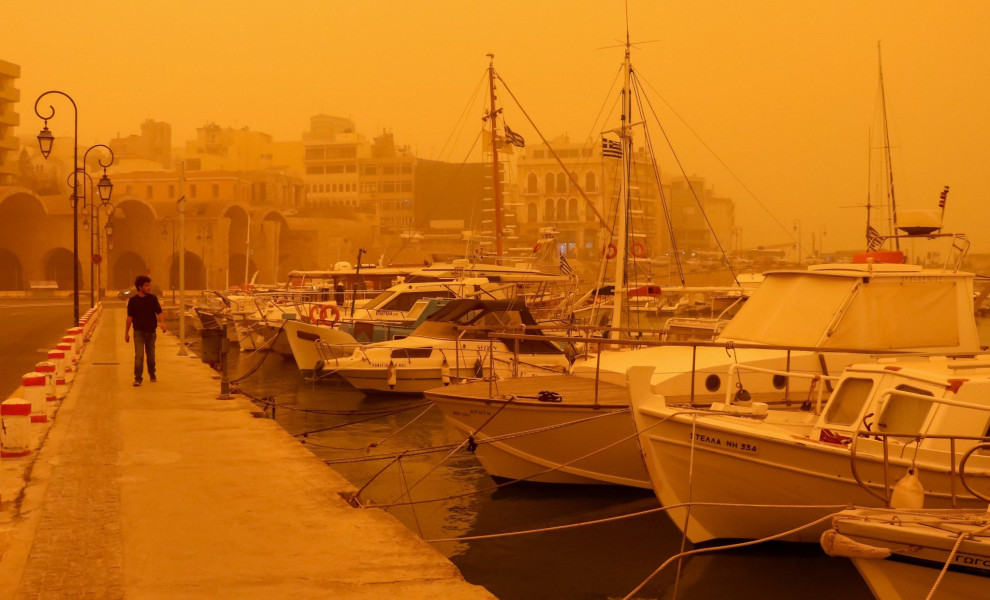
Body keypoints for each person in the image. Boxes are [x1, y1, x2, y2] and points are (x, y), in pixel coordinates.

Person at [124, 275, 165, 386]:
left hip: (151, 332)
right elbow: (129, 318)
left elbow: (159, 312)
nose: (148, 287)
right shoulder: (133, 301)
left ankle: (152, 373)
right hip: (138, 332)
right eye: (146, 285)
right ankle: (138, 378)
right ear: (140, 287)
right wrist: (126, 333)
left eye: (148, 285)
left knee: (151, 356)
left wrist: (162, 323)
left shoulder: (153, 299)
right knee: (139, 355)